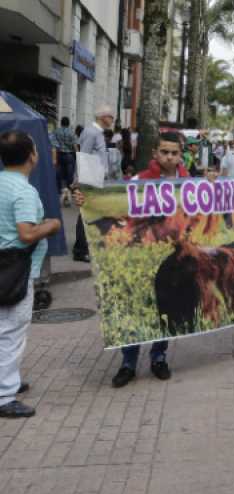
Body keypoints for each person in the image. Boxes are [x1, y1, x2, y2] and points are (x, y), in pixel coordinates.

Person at [102, 132, 190, 388]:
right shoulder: (140, 180)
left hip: (173, 259)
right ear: (155, 153)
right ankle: (128, 362)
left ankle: (158, 357)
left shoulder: (190, 181)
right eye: (164, 152)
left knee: (166, 307)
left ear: (180, 154)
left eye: (174, 152)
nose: (170, 157)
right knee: (135, 307)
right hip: (142, 256)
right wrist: (87, 200)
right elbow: (115, 204)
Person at [0, 131, 62, 418]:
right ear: (31, 157)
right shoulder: (23, 191)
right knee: (11, 332)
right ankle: (4, 395)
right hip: (14, 270)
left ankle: (7, 379)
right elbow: (26, 234)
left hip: (5, 265)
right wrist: (50, 226)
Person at [74, 105, 114, 263]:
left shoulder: (95, 132)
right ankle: (80, 249)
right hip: (90, 178)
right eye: (111, 116)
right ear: (103, 117)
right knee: (86, 213)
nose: (112, 120)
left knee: (91, 212)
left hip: (94, 177)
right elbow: (83, 155)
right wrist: (81, 180)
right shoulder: (92, 132)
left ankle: (86, 247)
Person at [51, 117, 77, 207]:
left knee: (59, 176)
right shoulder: (71, 132)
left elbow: (53, 146)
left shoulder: (56, 132)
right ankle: (67, 197)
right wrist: (78, 156)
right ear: (68, 123)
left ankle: (60, 194)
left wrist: (54, 158)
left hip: (59, 156)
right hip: (70, 156)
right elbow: (75, 145)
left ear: (61, 123)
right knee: (69, 177)